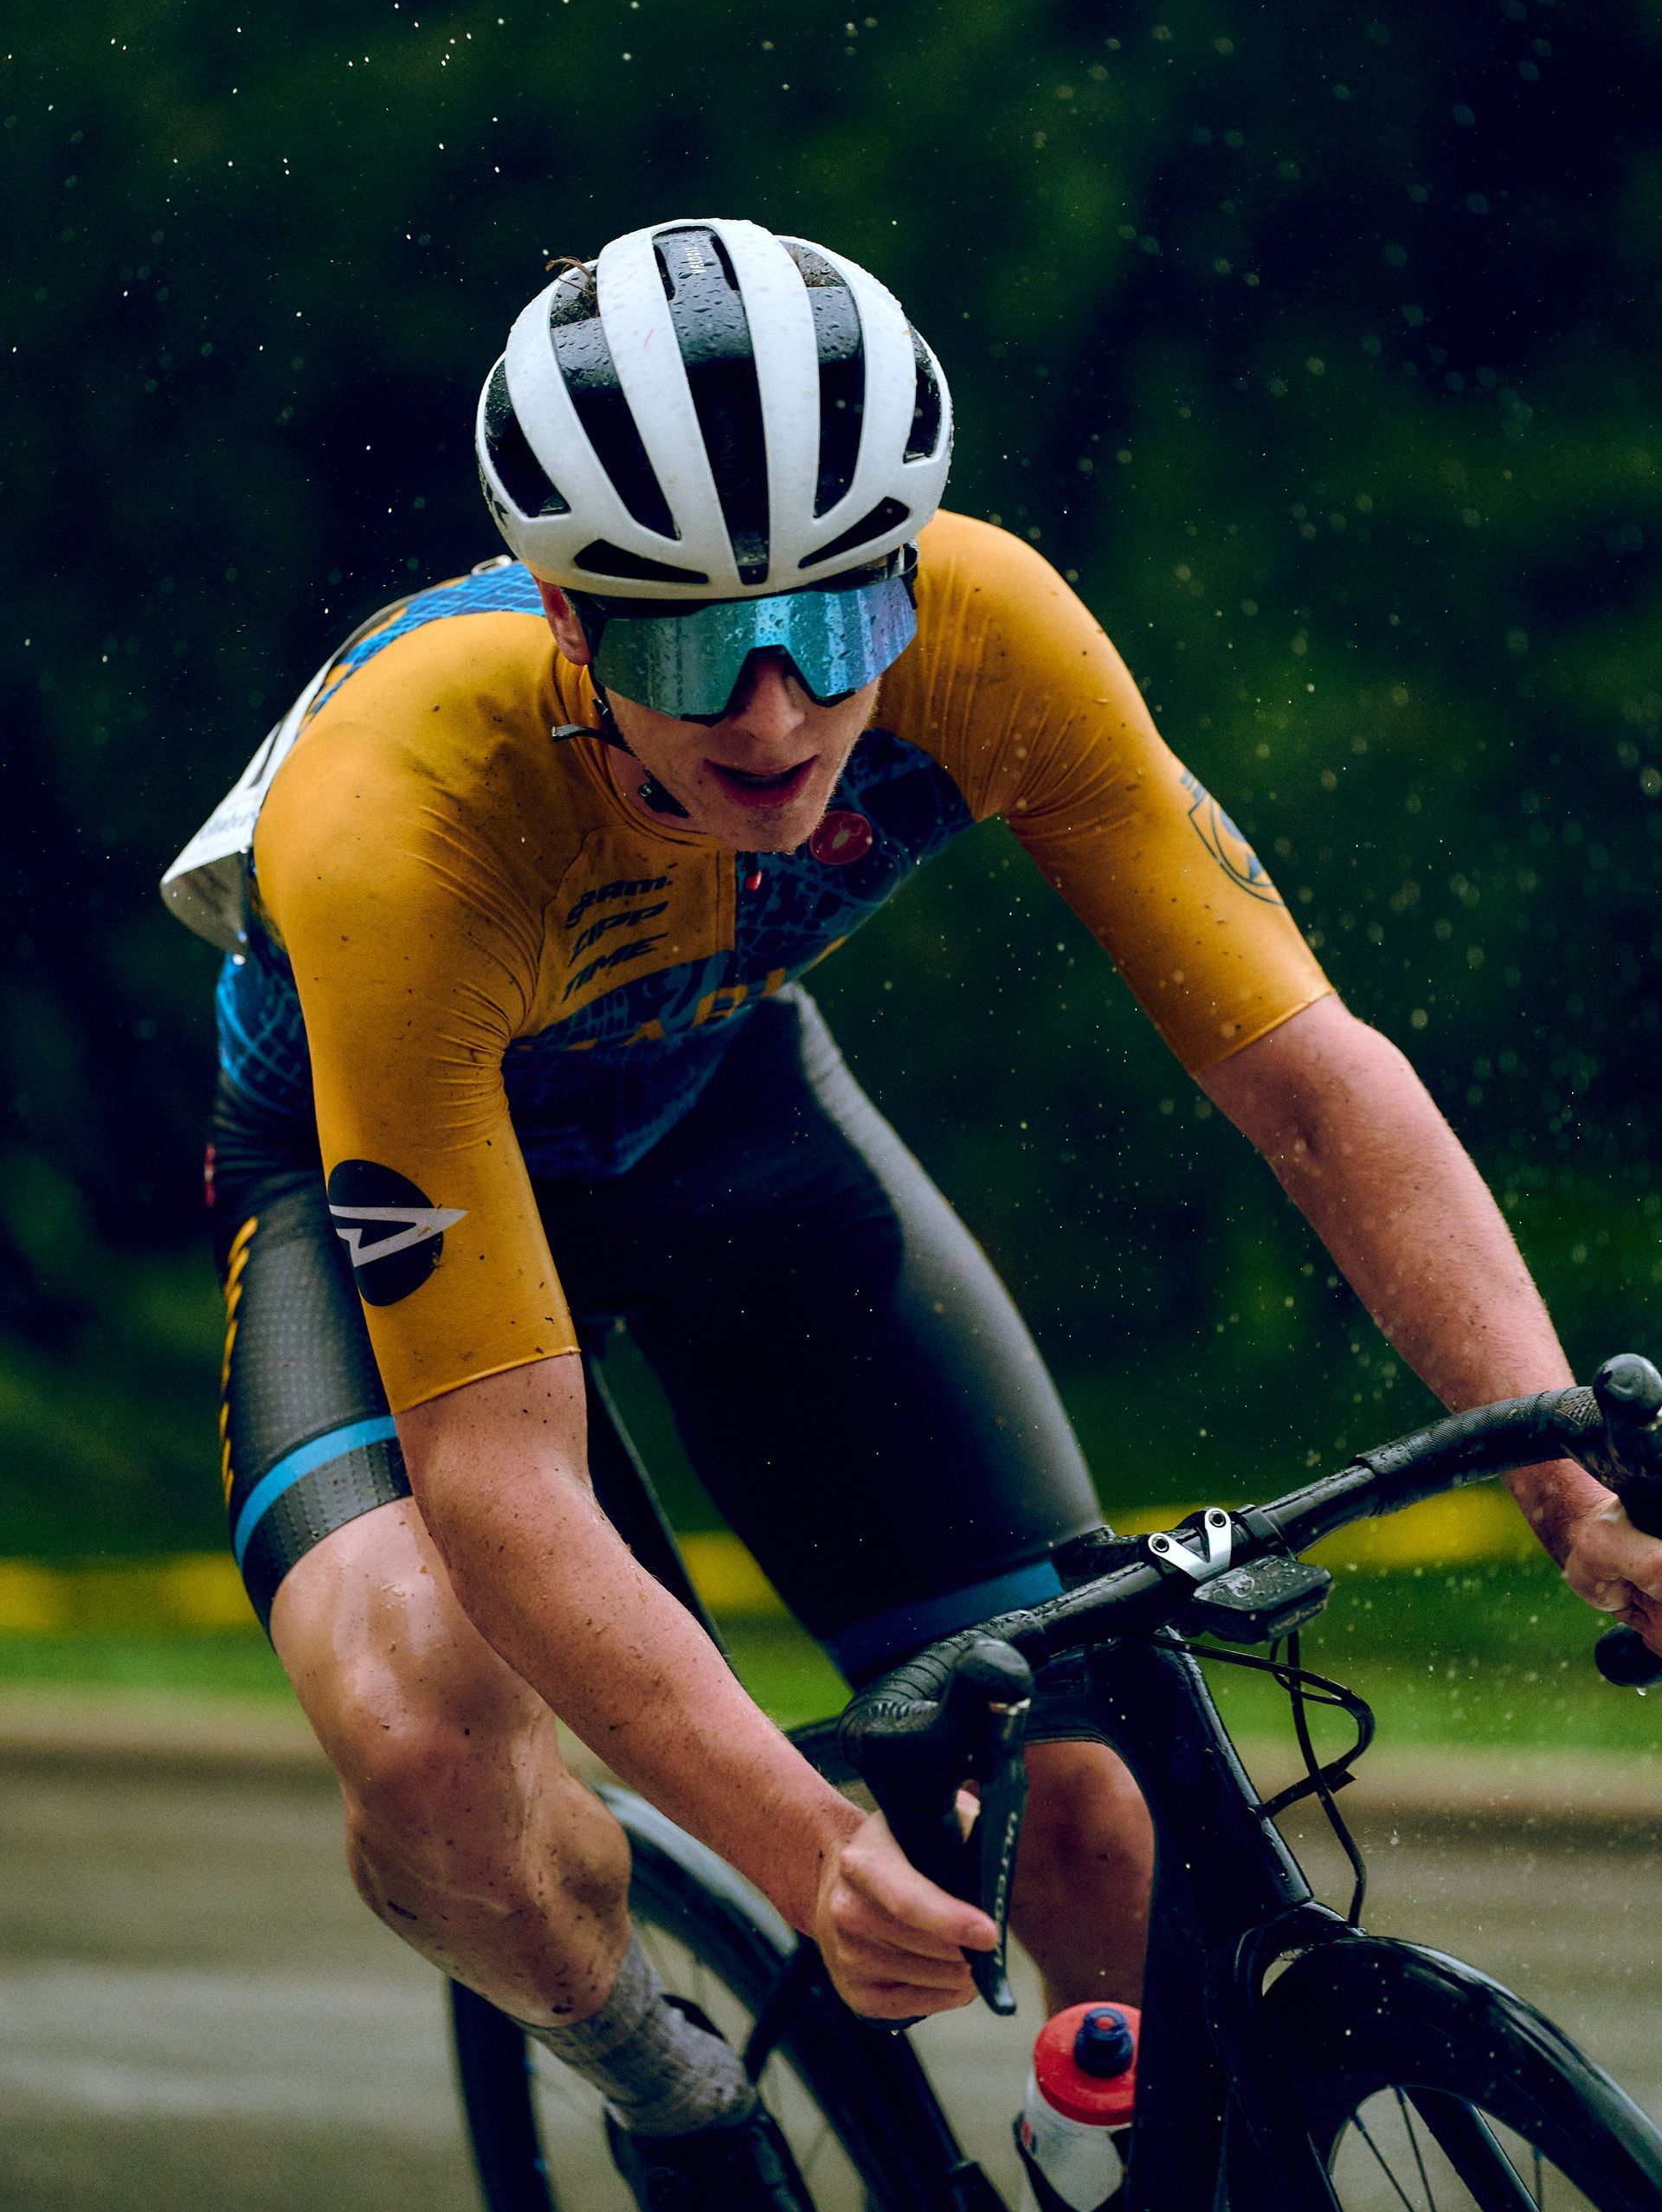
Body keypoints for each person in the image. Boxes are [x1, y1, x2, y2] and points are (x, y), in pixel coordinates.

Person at [164, 217, 1662, 2210]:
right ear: (568, 620)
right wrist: (805, 1849)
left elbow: (1309, 1080)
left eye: (834, 628)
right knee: (429, 1733)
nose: (778, 715)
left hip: (730, 1116)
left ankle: (1098, 2164)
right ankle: (667, 2087)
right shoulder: (400, 814)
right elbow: (502, 1481)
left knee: (1098, 1837)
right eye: (695, 646)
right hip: (374, 1174)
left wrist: (1571, 1478)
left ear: (904, 574)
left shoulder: (993, 630)